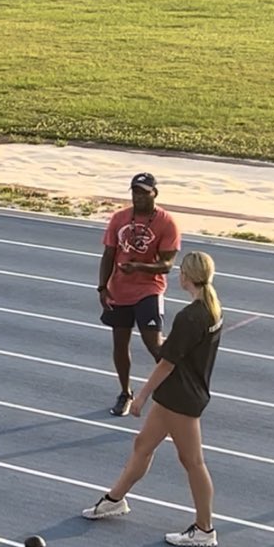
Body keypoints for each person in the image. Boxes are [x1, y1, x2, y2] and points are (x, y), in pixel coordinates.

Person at [82, 251, 223, 547]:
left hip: (179, 397)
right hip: (182, 391)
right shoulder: (212, 308)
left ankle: (204, 529)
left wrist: (141, 396)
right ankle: (114, 499)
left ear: (186, 276)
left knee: (193, 462)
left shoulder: (190, 316)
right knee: (143, 445)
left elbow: (167, 362)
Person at [97, 172, 181, 416]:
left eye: (144, 192)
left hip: (149, 289)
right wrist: (102, 287)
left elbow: (166, 265)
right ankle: (125, 393)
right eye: (135, 192)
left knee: (153, 343)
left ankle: (174, 390)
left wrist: (139, 267)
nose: (139, 197)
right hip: (120, 290)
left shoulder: (167, 223)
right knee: (120, 343)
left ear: (155, 193)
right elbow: (109, 254)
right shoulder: (119, 218)